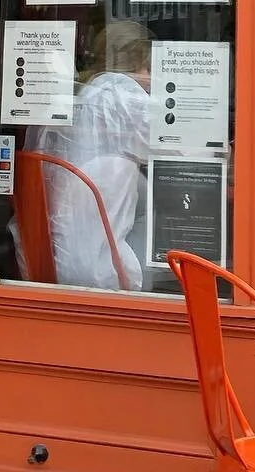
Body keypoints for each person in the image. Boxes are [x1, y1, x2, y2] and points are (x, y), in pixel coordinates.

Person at [13, 21, 153, 292]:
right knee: (160, 208)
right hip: (101, 269)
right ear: (134, 63)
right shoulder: (121, 91)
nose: (152, 81)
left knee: (137, 185)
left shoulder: (72, 94)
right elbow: (177, 145)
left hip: (46, 261)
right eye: (149, 69)